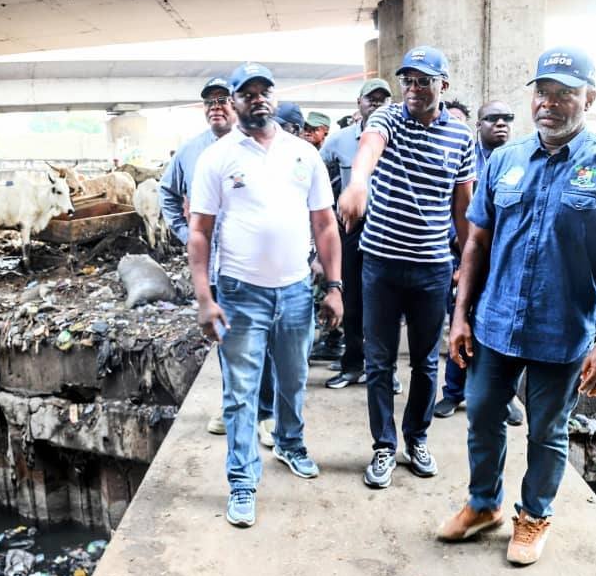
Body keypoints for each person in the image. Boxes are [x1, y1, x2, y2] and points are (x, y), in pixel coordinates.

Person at [437, 47, 596, 566]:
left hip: (563, 331)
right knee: (483, 416)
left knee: (547, 431)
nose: (550, 104)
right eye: (543, 92)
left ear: (590, 98)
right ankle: (484, 505)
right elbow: (476, 244)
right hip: (495, 324)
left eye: (565, 94)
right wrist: (461, 315)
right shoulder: (505, 161)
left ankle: (533, 516)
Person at [188, 62, 342, 527]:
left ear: (275, 98)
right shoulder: (217, 158)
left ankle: (291, 446)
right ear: (233, 103)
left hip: (296, 290)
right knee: (241, 392)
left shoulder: (302, 153)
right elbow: (200, 233)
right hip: (240, 293)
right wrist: (204, 297)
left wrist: (333, 286)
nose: (257, 98)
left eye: (265, 91)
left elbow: (325, 223)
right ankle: (241, 481)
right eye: (247, 92)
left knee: (294, 378)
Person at [338, 46, 475, 489]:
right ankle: (383, 445)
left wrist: (465, 263)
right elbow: (368, 151)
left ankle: (416, 438)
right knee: (379, 362)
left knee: (424, 363)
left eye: (424, 81)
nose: (414, 89)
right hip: (380, 262)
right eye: (408, 81)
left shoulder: (461, 138)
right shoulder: (388, 119)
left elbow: (463, 207)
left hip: (431, 267)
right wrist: (358, 183)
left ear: (443, 86)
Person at [158, 77, 276, 445]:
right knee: (226, 338)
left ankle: (268, 411)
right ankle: (233, 406)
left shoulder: (256, 145)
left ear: (237, 105)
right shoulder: (191, 152)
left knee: (264, 336)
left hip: (255, 262)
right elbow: (167, 192)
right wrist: (186, 233)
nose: (216, 107)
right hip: (215, 265)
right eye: (209, 102)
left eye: (223, 100)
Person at [434, 101, 524, 425]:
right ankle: (453, 392)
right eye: (492, 118)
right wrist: (456, 239)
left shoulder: (522, 160)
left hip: (503, 260)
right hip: (462, 253)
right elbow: (446, 202)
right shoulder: (464, 154)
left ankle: (506, 397)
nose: (501, 123)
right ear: (479, 124)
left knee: (501, 329)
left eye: (507, 118)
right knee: (460, 321)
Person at [319, 78, 399, 392]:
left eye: (383, 100)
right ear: (359, 103)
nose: (377, 104)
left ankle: (385, 371)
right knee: (351, 299)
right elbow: (319, 179)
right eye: (371, 99)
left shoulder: (403, 137)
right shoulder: (337, 141)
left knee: (387, 304)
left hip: (391, 230)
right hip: (351, 229)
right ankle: (353, 365)